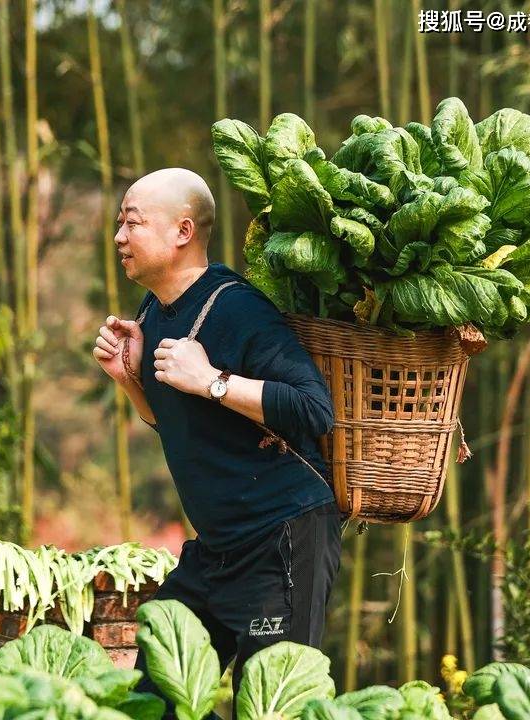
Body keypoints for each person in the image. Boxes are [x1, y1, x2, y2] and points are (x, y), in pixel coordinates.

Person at [91, 168, 342, 719]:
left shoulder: (238, 308)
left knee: (270, 706)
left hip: (284, 541)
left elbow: (313, 409)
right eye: (119, 224)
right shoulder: (153, 313)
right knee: (152, 701)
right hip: (216, 550)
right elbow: (183, 428)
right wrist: (129, 379)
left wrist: (214, 381)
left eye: (132, 223)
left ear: (183, 231)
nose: (119, 238)